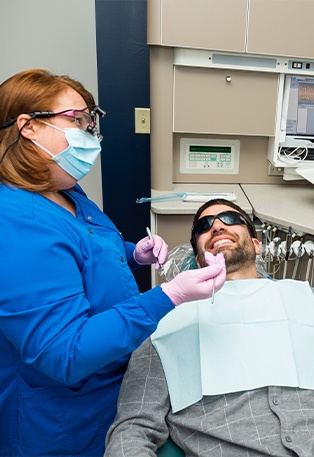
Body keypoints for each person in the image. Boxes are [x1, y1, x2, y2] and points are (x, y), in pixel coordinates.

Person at [0, 69, 226, 457]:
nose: (88, 135)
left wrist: (131, 253)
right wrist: (167, 297)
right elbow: (64, 352)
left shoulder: (66, 191)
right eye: (77, 121)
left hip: (112, 387)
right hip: (64, 419)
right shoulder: (15, 224)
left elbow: (81, 251)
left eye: (90, 123)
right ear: (28, 127)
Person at [105, 198, 314, 457]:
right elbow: (133, 428)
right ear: (198, 258)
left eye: (231, 219)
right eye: (204, 226)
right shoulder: (167, 324)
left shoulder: (305, 301)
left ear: (257, 245)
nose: (217, 227)